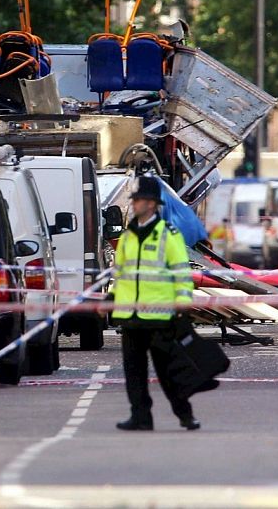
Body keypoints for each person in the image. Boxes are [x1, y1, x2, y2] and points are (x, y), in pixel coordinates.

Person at [110, 175, 198, 431]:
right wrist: (113, 298)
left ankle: (184, 413)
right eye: (134, 201)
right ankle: (140, 416)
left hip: (160, 317)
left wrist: (182, 304)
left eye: (138, 201)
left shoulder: (167, 234)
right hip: (131, 317)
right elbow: (120, 273)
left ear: (150, 204)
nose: (134, 205)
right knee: (133, 373)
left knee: (168, 372)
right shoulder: (128, 237)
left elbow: (181, 272)